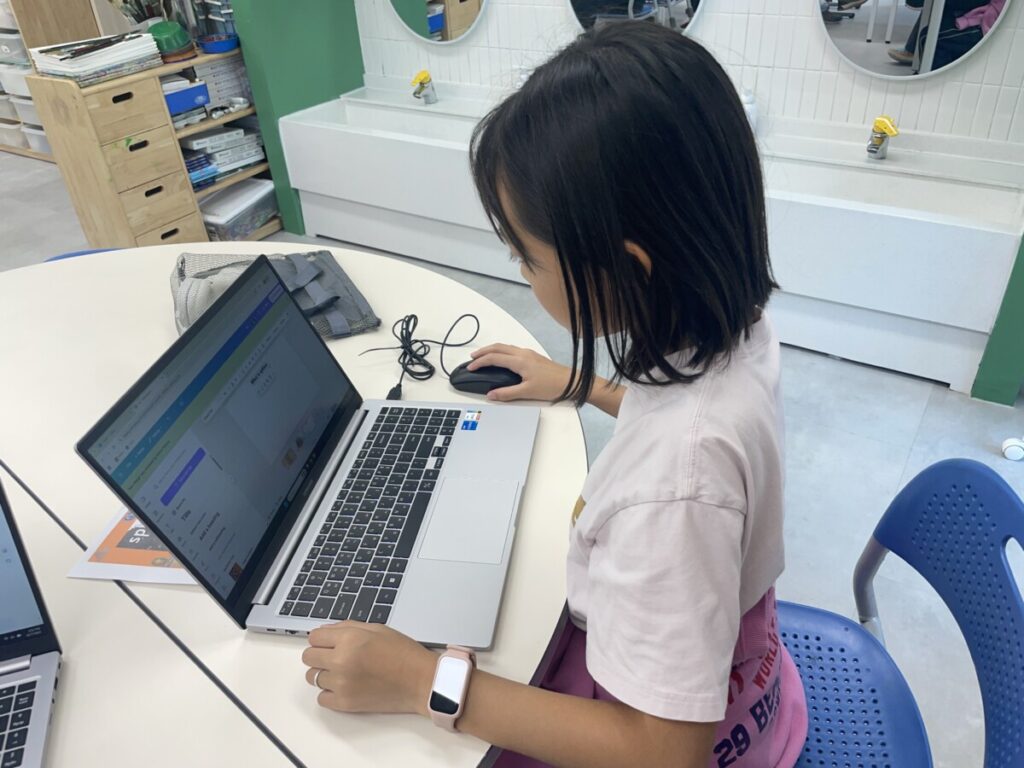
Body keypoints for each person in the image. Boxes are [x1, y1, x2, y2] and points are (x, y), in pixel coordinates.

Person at [299, 22, 808, 768]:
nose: (520, 271)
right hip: (751, 684)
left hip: (686, 737)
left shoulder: (675, 490)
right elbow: (689, 429)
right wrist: (583, 385)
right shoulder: (737, 329)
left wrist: (422, 682)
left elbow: (664, 752)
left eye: (526, 256)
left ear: (625, 271)